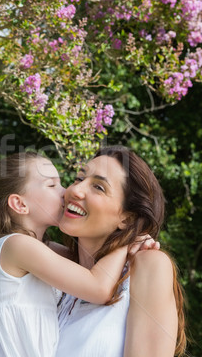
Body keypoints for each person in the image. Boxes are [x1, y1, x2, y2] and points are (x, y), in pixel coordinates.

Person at [0, 151, 155, 357]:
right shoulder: (15, 245)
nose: (67, 192)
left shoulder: (44, 248)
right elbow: (99, 287)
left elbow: (89, 266)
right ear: (20, 204)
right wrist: (126, 238)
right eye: (52, 185)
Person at [56, 145, 186, 357]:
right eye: (79, 179)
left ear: (127, 218)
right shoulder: (56, 274)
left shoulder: (147, 265)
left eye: (98, 187)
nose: (75, 190)